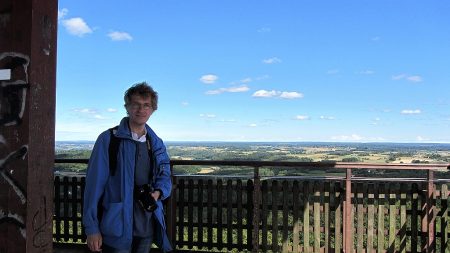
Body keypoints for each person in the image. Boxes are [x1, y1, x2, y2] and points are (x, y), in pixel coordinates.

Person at [83, 82, 173, 253]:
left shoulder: (155, 142)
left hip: (146, 223)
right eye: (136, 104)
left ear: (153, 109)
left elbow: (164, 173)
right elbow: (93, 187)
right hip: (115, 226)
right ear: (127, 107)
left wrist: (159, 192)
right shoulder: (108, 140)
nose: (141, 109)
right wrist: (92, 229)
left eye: (146, 105)